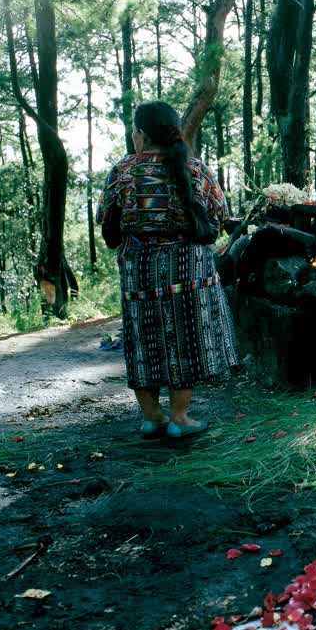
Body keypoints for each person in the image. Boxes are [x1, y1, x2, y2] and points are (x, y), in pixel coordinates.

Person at [96, 101, 238, 438]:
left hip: (140, 271)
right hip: (189, 270)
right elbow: (217, 218)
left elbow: (108, 228)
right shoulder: (197, 170)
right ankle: (180, 417)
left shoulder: (123, 171)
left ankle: (151, 417)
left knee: (143, 339)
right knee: (184, 339)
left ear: (141, 134)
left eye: (134, 130)